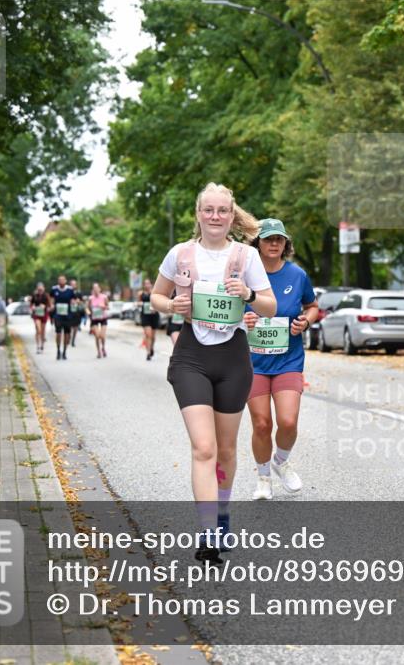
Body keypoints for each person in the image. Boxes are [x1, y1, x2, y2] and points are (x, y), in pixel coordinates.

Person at [149, 182, 275, 563]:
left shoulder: (245, 258)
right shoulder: (181, 254)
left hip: (234, 359)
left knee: (224, 451)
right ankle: (207, 532)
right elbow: (156, 296)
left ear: (231, 215)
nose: (215, 217)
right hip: (191, 357)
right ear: (198, 214)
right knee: (203, 448)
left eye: (222, 210)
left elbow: (269, 306)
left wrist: (249, 296)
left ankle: (222, 514)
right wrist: (172, 305)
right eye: (209, 210)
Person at [241, 219, 318, 500]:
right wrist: (243, 318)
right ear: (257, 243)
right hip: (253, 362)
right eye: (268, 239)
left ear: (286, 244)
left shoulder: (297, 275)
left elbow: (312, 307)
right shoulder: (245, 276)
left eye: (279, 239)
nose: (274, 244)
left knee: (287, 421)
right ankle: (263, 478)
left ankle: (280, 461)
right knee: (262, 423)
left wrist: (305, 323)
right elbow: (229, 313)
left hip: (288, 360)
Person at [49, 275, 76, 360]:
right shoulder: (54, 289)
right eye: (59, 280)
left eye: (62, 280)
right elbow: (51, 298)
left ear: (65, 281)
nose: (61, 281)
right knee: (58, 333)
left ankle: (64, 351)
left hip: (67, 314)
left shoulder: (70, 290)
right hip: (58, 315)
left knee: (67, 334)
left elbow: (73, 299)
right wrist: (52, 305)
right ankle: (58, 350)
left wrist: (74, 303)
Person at [87, 282, 110, 359]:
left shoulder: (104, 297)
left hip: (103, 318)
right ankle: (98, 351)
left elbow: (108, 307)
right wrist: (88, 312)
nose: (96, 290)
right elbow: (87, 308)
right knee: (97, 335)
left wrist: (103, 306)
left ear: (100, 289)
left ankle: (103, 347)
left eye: (97, 288)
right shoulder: (90, 298)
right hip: (94, 319)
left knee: (102, 336)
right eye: (94, 288)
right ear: (93, 290)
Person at [139, 279, 160, 360]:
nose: (147, 285)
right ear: (144, 285)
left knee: (153, 337)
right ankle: (148, 353)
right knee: (148, 335)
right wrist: (140, 304)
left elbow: (158, 302)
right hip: (145, 316)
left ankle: (151, 348)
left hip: (154, 316)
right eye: (145, 284)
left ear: (151, 284)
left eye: (148, 283)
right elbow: (138, 302)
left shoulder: (155, 293)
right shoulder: (141, 294)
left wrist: (155, 308)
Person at [30, 283, 50, 353]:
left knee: (43, 331)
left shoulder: (46, 296)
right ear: (37, 289)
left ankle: (42, 345)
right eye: (39, 289)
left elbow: (49, 305)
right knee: (38, 330)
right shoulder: (34, 295)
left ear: (44, 288)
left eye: (41, 289)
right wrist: (33, 307)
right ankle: (38, 346)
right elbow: (31, 304)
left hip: (44, 315)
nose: (40, 290)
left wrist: (45, 306)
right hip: (37, 315)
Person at [69, 279, 84, 347]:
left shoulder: (79, 293)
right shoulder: (67, 292)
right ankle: (68, 337)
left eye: (74, 284)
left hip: (77, 312)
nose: (73, 285)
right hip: (69, 312)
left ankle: (73, 340)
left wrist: (78, 302)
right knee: (68, 327)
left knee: (75, 327)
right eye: (72, 284)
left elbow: (82, 302)